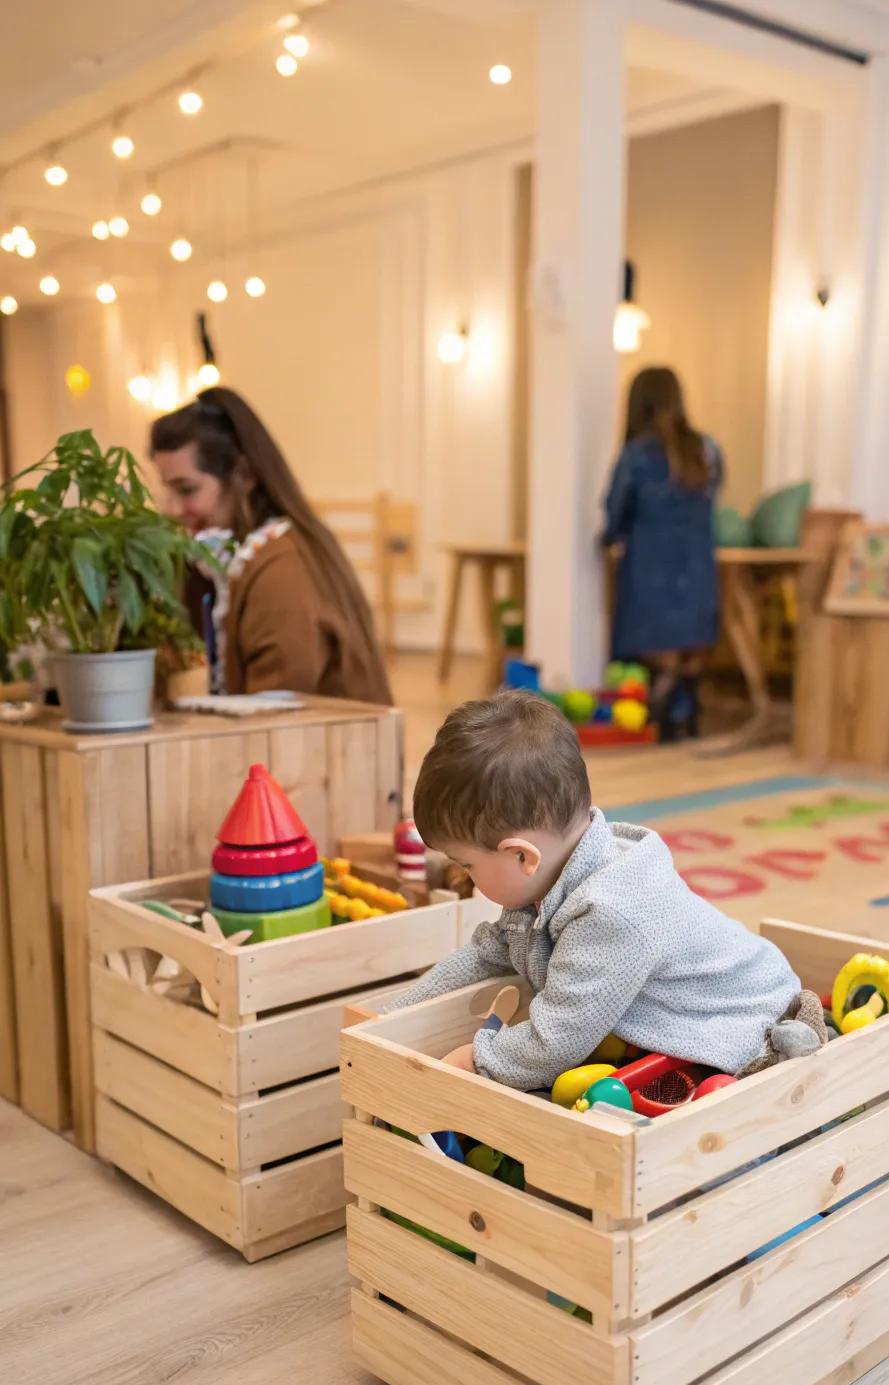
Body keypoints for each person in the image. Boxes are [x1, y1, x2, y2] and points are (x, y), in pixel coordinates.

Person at [382, 691, 817, 1091]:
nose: (466, 878)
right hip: (708, 992)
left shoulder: (612, 912)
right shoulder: (552, 874)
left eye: (468, 865)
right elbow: (486, 953)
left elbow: (557, 1038)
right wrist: (396, 1015)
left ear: (522, 856)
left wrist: (480, 1061)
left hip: (745, 1011)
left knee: (720, 1112)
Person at [150, 388, 391, 703]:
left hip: (330, 749)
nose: (172, 509)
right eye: (167, 491)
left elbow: (270, 721)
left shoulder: (281, 571)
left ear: (244, 475)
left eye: (187, 489)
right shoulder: (233, 558)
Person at [602, 367, 723, 739]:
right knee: (684, 644)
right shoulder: (708, 450)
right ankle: (682, 706)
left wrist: (607, 540)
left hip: (651, 577)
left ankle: (660, 704)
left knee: (654, 646)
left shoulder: (636, 455)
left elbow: (615, 511)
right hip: (699, 577)